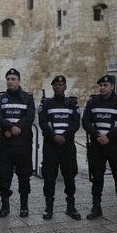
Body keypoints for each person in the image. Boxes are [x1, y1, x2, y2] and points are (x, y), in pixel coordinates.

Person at [82, 74, 117, 223]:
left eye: (105, 85)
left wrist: (108, 136)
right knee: (97, 178)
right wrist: (97, 135)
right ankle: (96, 208)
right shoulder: (93, 102)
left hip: (114, 146)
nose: (102, 88)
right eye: (101, 86)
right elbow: (85, 122)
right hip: (97, 146)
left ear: (112, 86)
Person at [0, 68, 35, 218]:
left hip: (23, 145)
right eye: (8, 79)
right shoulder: (0, 99)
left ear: (18, 81)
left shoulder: (27, 98)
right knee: (4, 176)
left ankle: (24, 206)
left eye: (13, 79)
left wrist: (17, 128)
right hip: (6, 146)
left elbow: (29, 117)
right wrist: (11, 127)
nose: (10, 81)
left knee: (24, 176)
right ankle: (5, 206)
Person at [38, 75, 81, 220]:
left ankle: (71, 207)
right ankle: (49, 207)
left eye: (61, 84)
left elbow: (75, 123)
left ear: (65, 87)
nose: (58, 87)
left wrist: (64, 136)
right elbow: (43, 123)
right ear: (53, 87)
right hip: (51, 146)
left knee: (69, 175)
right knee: (49, 177)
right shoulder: (46, 103)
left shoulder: (72, 103)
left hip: (67, 145)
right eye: (56, 84)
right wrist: (54, 136)